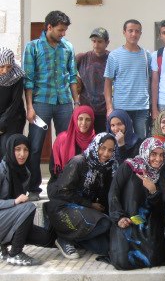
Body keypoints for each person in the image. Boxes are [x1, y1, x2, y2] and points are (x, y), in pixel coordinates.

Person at [23, 10, 78, 200]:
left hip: (64, 102)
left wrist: (76, 103)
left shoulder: (68, 47)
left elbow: (72, 77)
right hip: (41, 102)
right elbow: (28, 80)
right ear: (49, 27)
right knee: (35, 146)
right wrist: (29, 107)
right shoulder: (33, 47)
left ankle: (62, 186)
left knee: (65, 145)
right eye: (60, 30)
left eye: (65, 30)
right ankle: (33, 188)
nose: (63, 33)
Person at [46, 133, 118, 260]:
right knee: (104, 223)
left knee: (105, 247)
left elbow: (105, 195)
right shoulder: (79, 162)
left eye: (110, 150)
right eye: (103, 148)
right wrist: (90, 204)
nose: (106, 153)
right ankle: (64, 238)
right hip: (62, 208)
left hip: (83, 210)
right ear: (96, 146)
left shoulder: (105, 167)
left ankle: (76, 240)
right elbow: (62, 192)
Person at [108, 138, 165, 270]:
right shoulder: (129, 166)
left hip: (148, 224)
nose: (158, 159)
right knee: (123, 260)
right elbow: (114, 193)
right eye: (154, 154)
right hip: (126, 221)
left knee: (153, 257)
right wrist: (119, 217)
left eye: (161, 155)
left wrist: (153, 191)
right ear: (146, 152)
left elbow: (162, 207)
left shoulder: (162, 172)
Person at [0, 135, 53, 266]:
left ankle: (2, 247)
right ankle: (15, 253)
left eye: (26, 150)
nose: (22, 154)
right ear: (10, 149)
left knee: (46, 237)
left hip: (9, 218)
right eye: (17, 149)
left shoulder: (25, 173)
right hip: (4, 217)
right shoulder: (1, 170)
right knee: (29, 207)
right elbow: (19, 204)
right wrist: (14, 202)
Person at [104, 19, 151, 139]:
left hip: (142, 107)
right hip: (121, 107)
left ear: (140, 33)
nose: (134, 34)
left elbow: (151, 80)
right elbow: (108, 82)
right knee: (120, 141)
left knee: (141, 141)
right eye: (130, 31)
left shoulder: (147, 55)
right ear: (124, 32)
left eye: (137, 31)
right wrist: (109, 107)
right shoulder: (114, 55)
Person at [76, 28, 110, 133]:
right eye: (94, 41)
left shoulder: (112, 59)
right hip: (86, 110)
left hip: (105, 110)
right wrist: (77, 82)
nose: (96, 45)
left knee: (103, 139)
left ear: (107, 43)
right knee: (86, 139)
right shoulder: (82, 58)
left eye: (100, 41)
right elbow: (66, 73)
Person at [50, 105, 95, 181]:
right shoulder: (62, 139)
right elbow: (53, 167)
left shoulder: (95, 141)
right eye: (80, 119)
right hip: (62, 181)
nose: (84, 123)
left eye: (88, 120)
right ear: (75, 119)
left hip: (87, 182)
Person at [0, 47, 26, 158]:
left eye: (9, 66)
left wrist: (2, 122)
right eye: (1, 66)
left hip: (13, 118)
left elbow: (15, 103)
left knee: (7, 149)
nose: (5, 71)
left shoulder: (17, 76)